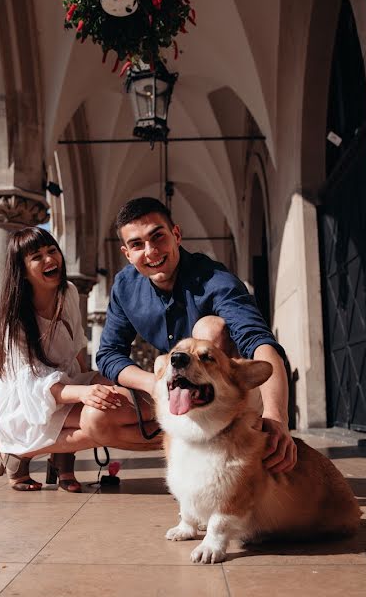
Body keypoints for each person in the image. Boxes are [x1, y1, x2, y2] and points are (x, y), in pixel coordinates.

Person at [96, 197, 298, 473]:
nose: (151, 251)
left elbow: (258, 342)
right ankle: (191, 449)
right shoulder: (124, 287)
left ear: (176, 235)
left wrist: (277, 417)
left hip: (225, 396)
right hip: (173, 392)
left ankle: (233, 443)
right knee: (98, 418)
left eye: (158, 237)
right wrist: (151, 383)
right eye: (137, 244)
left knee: (209, 330)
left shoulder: (214, 279)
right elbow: (108, 354)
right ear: (127, 253)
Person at [0, 226, 162, 493]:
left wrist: (92, 381)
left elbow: (77, 347)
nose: (50, 259)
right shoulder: (15, 321)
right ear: (22, 271)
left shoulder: (68, 292)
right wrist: (84, 394)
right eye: (37, 256)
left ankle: (56, 455)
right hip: (28, 402)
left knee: (126, 391)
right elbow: (34, 384)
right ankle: (20, 451)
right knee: (109, 415)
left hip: (67, 383)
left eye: (51, 250)